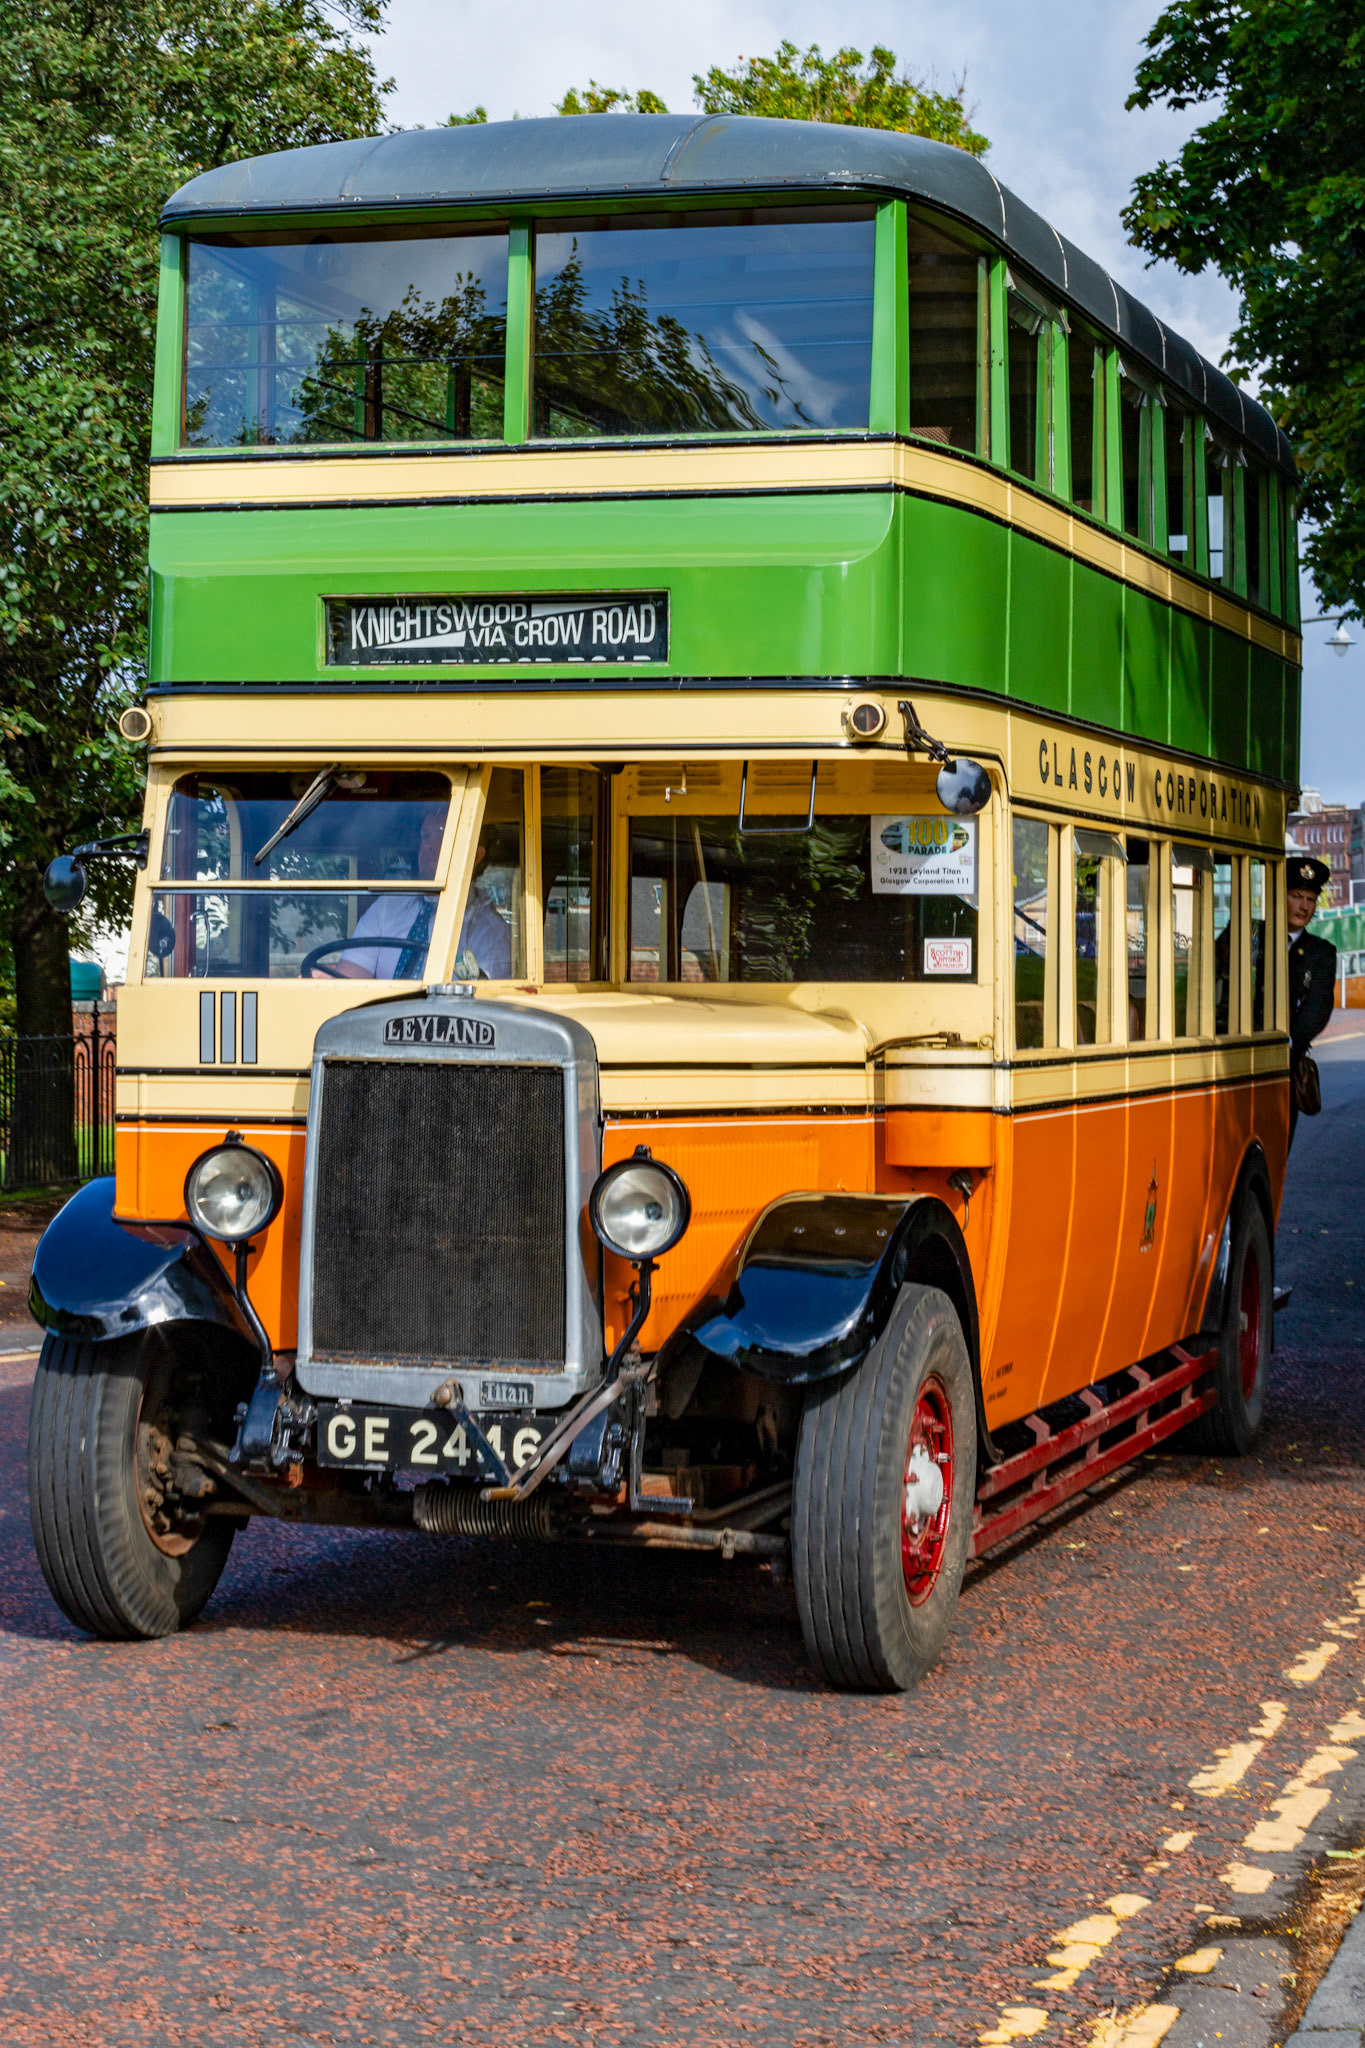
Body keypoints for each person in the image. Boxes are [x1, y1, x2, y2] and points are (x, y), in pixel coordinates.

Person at [320, 809, 513, 980]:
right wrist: (327, 981)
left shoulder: (488, 929)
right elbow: (351, 976)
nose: (429, 846)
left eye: (442, 837)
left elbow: (482, 1007)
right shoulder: (388, 906)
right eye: (426, 836)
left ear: (475, 856)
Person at [1286, 853, 1336, 1150]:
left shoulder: (1320, 953)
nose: (1304, 906)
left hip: (1285, 1066)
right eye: (1296, 896)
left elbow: (1318, 1007)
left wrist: (1289, 1041)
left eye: (1310, 899)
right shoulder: (1250, 935)